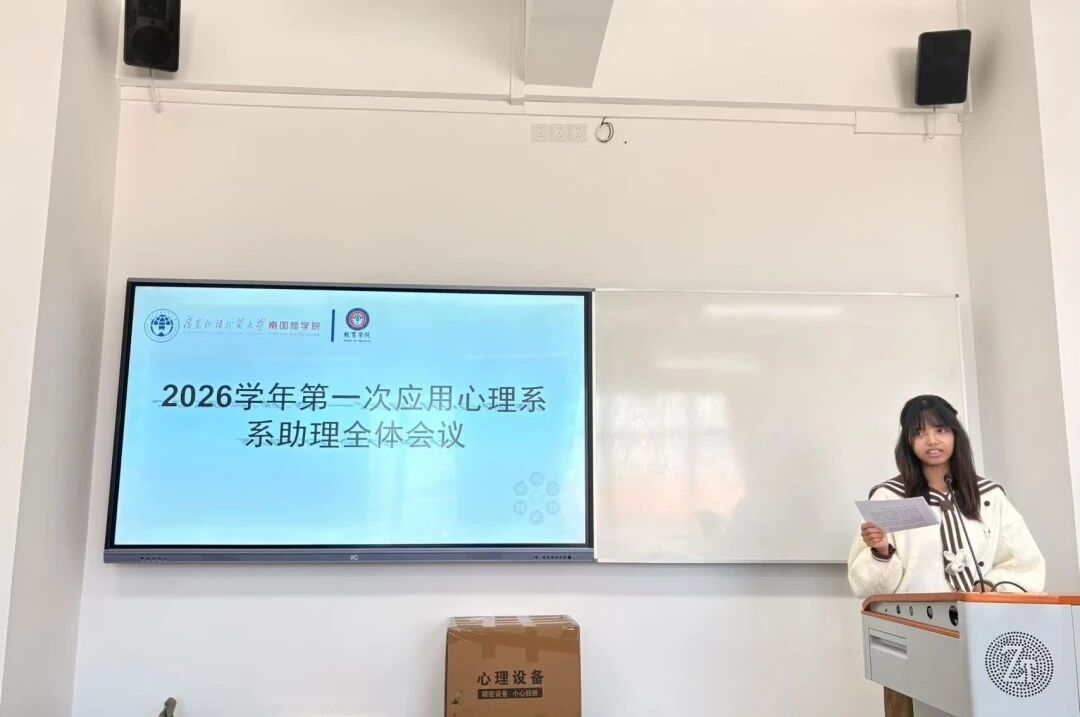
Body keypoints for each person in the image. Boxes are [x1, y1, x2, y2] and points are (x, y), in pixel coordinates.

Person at [847, 395, 1045, 717]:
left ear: (955, 434)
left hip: (981, 631)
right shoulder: (889, 497)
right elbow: (866, 588)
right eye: (919, 433)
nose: (931, 440)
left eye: (940, 430)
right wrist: (881, 552)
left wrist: (991, 587)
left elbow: (1024, 561)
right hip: (913, 634)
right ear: (907, 442)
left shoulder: (989, 496)